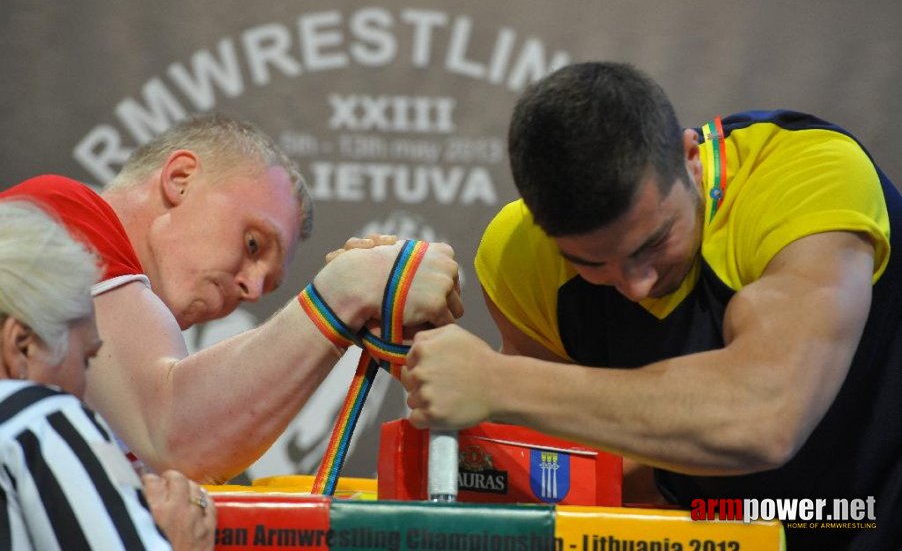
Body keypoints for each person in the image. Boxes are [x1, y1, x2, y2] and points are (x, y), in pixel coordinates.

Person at [399, 62, 900, 550]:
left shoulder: (806, 177)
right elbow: (591, 471)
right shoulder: (519, 256)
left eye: (653, 244)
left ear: (690, 158)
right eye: (592, 264)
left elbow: (764, 419)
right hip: (715, 532)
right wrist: (408, 347)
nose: (636, 285)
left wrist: (494, 382)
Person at [0, 114, 462, 483]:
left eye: (270, 283)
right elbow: (175, 438)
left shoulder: (117, 374)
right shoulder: (58, 212)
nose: (254, 289)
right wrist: (349, 289)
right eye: (254, 244)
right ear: (180, 178)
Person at [0, 199, 216, 550]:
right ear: (22, 346)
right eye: (86, 359)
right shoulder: (40, 418)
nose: (85, 389)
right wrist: (178, 539)